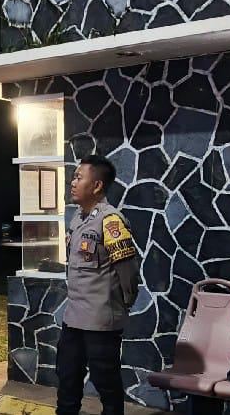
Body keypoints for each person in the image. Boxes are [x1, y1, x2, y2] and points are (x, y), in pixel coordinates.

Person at [57, 155, 142, 415]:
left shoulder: (111, 221)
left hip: (100, 322)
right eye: (73, 177)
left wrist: (122, 306)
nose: (73, 182)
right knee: (67, 376)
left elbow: (128, 272)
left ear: (97, 186)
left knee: (106, 382)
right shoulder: (78, 219)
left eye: (79, 177)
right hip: (73, 318)